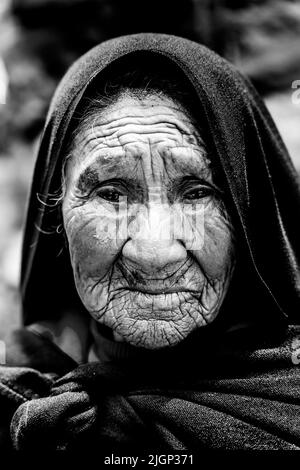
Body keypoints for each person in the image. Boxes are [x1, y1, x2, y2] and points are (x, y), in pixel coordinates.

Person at [1, 33, 300, 450]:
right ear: (57, 215)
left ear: (252, 219)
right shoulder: (15, 385)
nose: (154, 252)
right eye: (110, 193)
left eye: (197, 192)